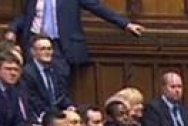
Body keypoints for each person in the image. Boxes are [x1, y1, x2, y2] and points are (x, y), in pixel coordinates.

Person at [6, 0, 143, 72]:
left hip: (60, 45)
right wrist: (12, 29)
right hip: (34, 41)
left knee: (59, 81)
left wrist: (126, 24)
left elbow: (97, 7)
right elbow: (26, 15)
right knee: (32, 79)